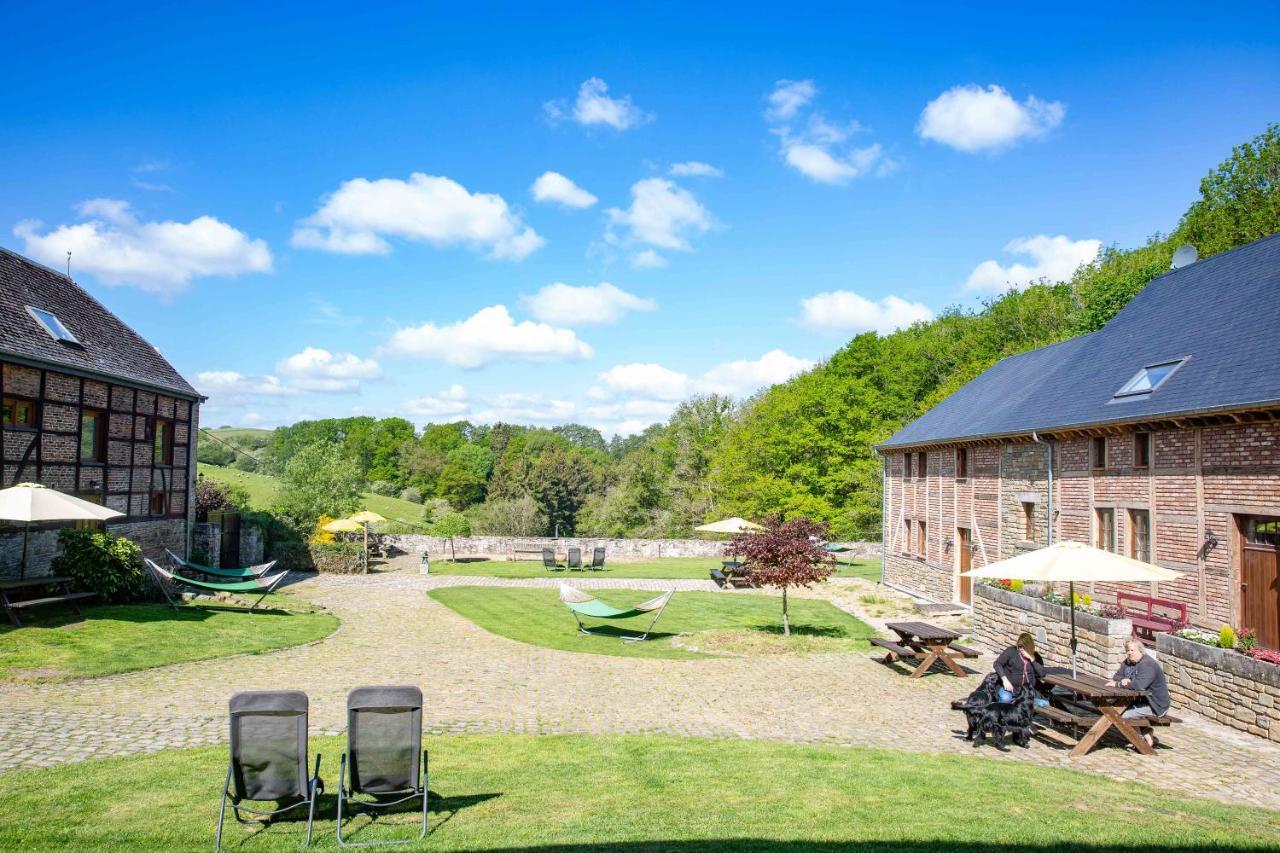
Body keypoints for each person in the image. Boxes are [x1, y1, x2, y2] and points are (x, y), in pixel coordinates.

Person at [1107, 638, 1170, 749]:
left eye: (1132, 650)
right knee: (1112, 708)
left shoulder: (1148, 665)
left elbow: (1139, 686)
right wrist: (1124, 680)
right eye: (1128, 650)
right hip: (1139, 701)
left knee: (1119, 716)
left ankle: (1138, 739)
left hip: (1155, 705)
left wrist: (1119, 684)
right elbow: (1116, 676)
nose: (1129, 653)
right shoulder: (1127, 662)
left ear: (1140, 651)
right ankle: (1145, 733)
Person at [993, 632, 1045, 704]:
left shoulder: (1036, 657)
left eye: (1024, 647)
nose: (1021, 649)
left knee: (1045, 703)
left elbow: (1042, 673)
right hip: (1009, 689)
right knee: (1006, 699)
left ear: (1029, 646)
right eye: (1020, 646)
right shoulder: (1011, 651)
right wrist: (1005, 680)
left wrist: (1031, 658)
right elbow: (997, 664)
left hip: (1027, 692)